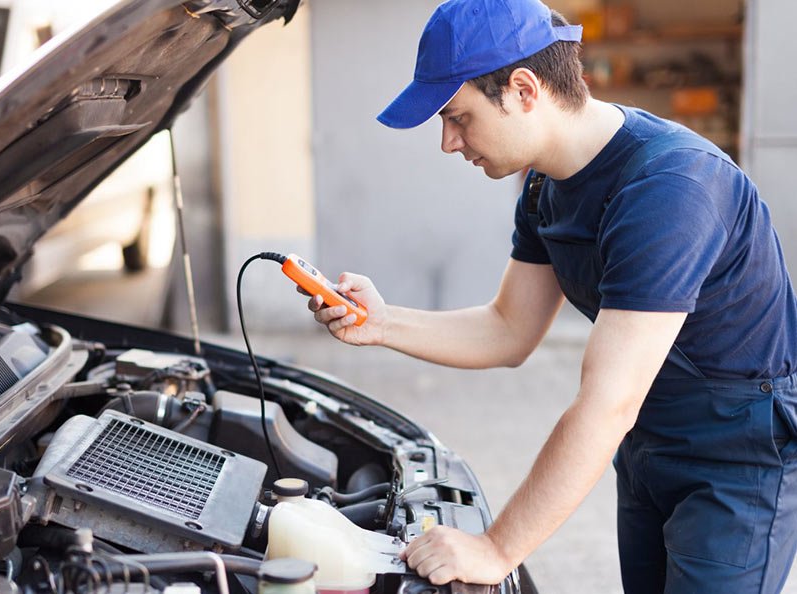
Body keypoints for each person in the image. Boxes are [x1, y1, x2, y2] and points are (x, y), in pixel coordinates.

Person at [305, 0, 797, 593]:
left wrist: (496, 547)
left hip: (736, 462)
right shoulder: (546, 187)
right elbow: (509, 328)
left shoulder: (671, 188)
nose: (448, 142)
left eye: (458, 117)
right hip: (648, 442)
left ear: (522, 89)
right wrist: (384, 324)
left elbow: (607, 402)